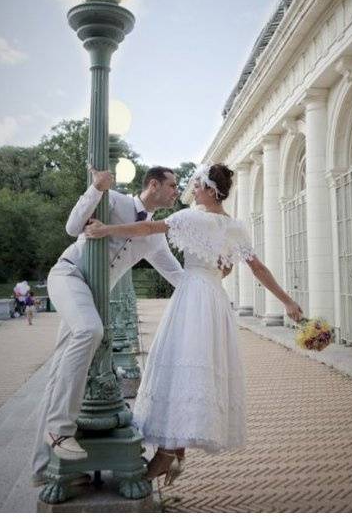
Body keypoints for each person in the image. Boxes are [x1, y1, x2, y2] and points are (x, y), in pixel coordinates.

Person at [83, 163, 304, 486]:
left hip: (192, 296)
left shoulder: (190, 217)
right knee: (191, 370)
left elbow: (146, 229)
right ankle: (173, 451)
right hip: (215, 299)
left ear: (212, 190)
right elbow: (255, 268)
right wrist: (287, 301)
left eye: (197, 184)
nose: (192, 189)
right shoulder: (236, 227)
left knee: (179, 369)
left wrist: (105, 230)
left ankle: (169, 453)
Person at [30, 166, 186, 486]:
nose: (176, 191)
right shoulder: (113, 201)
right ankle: (59, 431)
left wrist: (212, 285)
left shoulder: (155, 235)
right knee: (90, 331)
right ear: (153, 184)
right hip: (69, 275)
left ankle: (41, 469)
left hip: (93, 297)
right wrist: (97, 188)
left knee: (60, 371)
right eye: (172, 185)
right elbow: (73, 226)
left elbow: (178, 278)